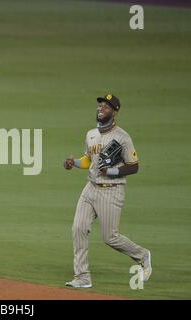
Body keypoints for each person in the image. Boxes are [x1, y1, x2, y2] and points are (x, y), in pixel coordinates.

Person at [63, 94, 152, 288]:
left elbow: (133, 166)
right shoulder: (91, 134)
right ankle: (83, 277)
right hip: (90, 187)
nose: (101, 108)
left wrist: (112, 171)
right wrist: (74, 163)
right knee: (78, 228)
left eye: (107, 106)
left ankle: (143, 256)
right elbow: (89, 159)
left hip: (112, 191)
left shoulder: (122, 138)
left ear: (115, 111)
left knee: (110, 237)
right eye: (101, 105)